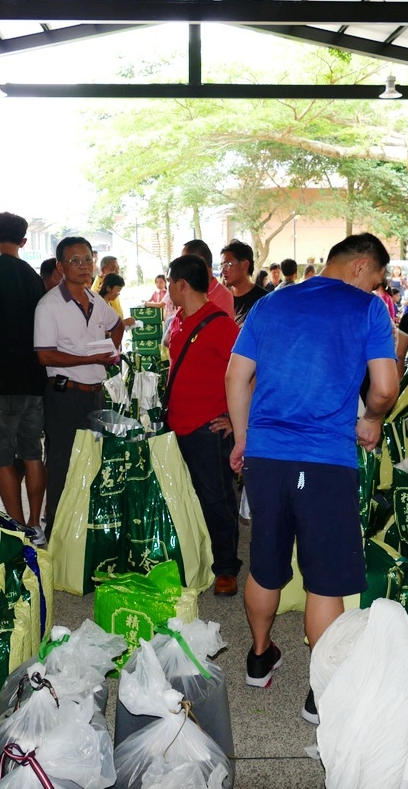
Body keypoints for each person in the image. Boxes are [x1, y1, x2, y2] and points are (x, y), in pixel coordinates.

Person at [226, 232, 399, 726]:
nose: (376, 289)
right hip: (326, 460)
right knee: (325, 580)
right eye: (378, 280)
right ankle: (320, 694)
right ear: (361, 267)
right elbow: (385, 387)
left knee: (264, 560)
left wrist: (243, 438)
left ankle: (259, 658)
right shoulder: (366, 311)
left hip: (267, 457)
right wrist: (371, 417)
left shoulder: (270, 304)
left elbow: (236, 377)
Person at [34, 237, 124, 538]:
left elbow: (118, 324)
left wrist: (112, 351)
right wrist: (92, 356)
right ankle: (57, 531)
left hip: (94, 395)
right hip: (64, 394)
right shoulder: (49, 305)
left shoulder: (96, 300)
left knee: (92, 461)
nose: (84, 266)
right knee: (60, 463)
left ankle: (86, 529)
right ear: (60, 266)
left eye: (88, 259)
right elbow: (45, 355)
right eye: (75, 261)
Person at [164, 254, 241, 597]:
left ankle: (226, 568)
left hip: (208, 430)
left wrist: (234, 418)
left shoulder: (222, 325)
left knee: (217, 499)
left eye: (170, 285)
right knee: (182, 496)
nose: (167, 292)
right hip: (176, 425)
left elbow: (248, 374)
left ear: (182, 284)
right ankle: (193, 557)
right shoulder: (178, 319)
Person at [0, 212, 48, 543]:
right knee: (32, 452)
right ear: (23, 241)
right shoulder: (33, 276)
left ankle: (15, 528)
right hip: (33, 377)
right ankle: (34, 523)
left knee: (0, 455)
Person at [164, 240, 234, 358]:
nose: (180, 266)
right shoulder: (187, 294)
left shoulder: (223, 296)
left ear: (199, 262)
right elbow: (169, 339)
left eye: (185, 261)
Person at [220, 240, 267, 327]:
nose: (223, 270)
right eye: (222, 265)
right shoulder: (221, 297)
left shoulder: (263, 300)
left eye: (228, 264)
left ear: (245, 265)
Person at [92, 256, 126, 320]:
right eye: (113, 269)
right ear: (103, 270)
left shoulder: (112, 283)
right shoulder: (97, 289)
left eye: (118, 268)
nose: (117, 271)